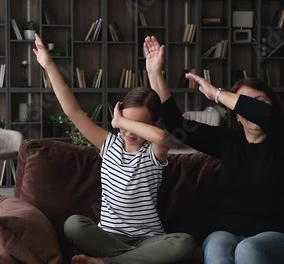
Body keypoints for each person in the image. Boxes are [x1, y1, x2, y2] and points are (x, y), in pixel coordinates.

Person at [33, 33, 196, 264]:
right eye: (125, 123)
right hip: (107, 237)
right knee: (73, 225)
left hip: (148, 239)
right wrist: (48, 65)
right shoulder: (109, 144)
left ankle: (105, 262)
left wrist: (120, 121)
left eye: (137, 125)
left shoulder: (153, 153)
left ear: (152, 124)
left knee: (184, 242)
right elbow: (73, 111)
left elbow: (161, 137)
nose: (128, 132)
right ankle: (132, 261)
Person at [144, 36, 284, 264]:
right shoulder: (229, 141)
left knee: (248, 249)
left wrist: (218, 94)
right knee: (218, 247)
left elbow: (265, 115)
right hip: (227, 232)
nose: (251, 111)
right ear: (237, 116)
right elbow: (177, 125)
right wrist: (155, 75)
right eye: (244, 105)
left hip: (279, 237)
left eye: (259, 102)